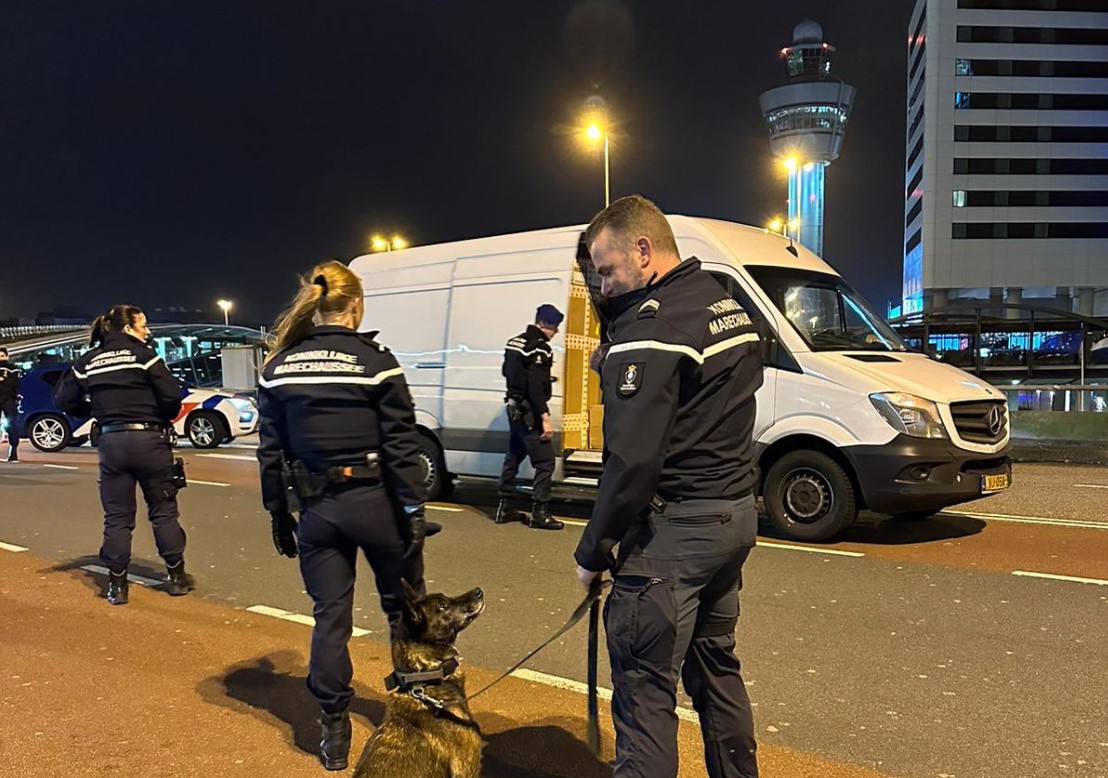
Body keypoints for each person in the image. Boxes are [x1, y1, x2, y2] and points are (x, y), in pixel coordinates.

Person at [572, 195, 763, 778]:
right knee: (714, 671)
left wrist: (593, 551)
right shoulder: (722, 304)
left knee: (644, 690)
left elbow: (631, 462)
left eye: (606, 270)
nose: (603, 287)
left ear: (644, 250)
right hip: (731, 519)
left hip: (671, 538)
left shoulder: (652, 328)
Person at [256, 260, 429, 772]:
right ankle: (412, 708)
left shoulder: (279, 366)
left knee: (330, 618)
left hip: (317, 509)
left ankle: (334, 729)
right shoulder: (377, 361)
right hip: (376, 503)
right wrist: (413, 509)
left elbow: (271, 450)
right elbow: (401, 444)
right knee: (404, 610)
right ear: (355, 305)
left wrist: (277, 512)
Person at [53, 305, 192, 606]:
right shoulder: (144, 356)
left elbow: (64, 398)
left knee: (117, 517)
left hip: (112, 441)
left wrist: (95, 411)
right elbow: (172, 394)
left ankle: (118, 586)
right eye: (144, 325)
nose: (148, 331)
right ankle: (177, 578)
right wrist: (160, 416)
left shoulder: (88, 360)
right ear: (128, 328)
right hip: (150, 440)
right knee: (163, 511)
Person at [494, 303, 565, 530]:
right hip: (529, 412)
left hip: (513, 407)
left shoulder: (514, 342)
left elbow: (507, 371)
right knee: (545, 462)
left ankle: (505, 507)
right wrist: (544, 416)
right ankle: (539, 513)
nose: (556, 332)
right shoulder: (540, 348)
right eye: (554, 327)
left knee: (514, 455)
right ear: (545, 324)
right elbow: (535, 385)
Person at [0, 347, 21, 462]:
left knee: (11, 425)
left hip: (9, 399)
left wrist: (3, 379)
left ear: (7, 357)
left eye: (2, 356)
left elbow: (16, 384)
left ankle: (13, 451)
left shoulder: (13, 369)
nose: (1, 359)